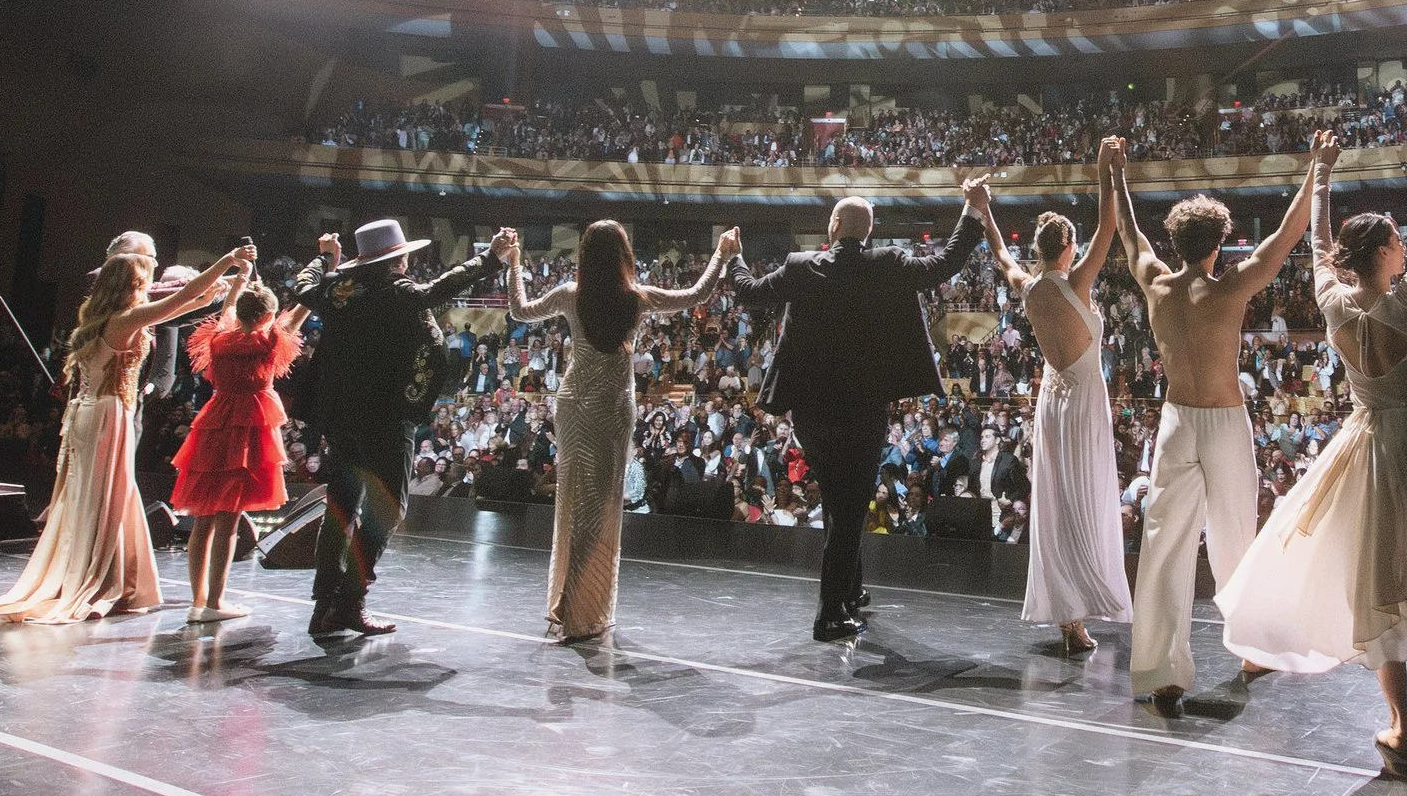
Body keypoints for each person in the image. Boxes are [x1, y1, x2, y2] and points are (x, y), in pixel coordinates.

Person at [1217, 100, 1407, 777]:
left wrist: (1322, 171)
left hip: (1366, 445)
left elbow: (1314, 246)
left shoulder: (1333, 302)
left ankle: (1402, 714)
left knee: (1385, 581)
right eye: (1397, 239)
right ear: (1387, 252)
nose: (1406, 243)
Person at [1108, 135, 1326, 717]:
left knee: (1163, 547)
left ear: (1176, 242)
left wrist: (1114, 174)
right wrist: (1315, 172)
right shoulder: (1230, 287)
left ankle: (1162, 673)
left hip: (1176, 422)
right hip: (1225, 421)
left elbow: (1130, 235)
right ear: (1221, 243)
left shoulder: (1155, 283)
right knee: (1236, 539)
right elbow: (1285, 237)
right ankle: (1252, 650)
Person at [731, 179, 989, 640]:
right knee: (850, 507)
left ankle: (849, 590)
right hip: (862, 408)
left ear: (833, 226)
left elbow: (748, 289)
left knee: (838, 498)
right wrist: (971, 209)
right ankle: (830, 613)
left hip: (811, 412)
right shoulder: (886, 264)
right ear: (868, 232)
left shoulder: (801, 266)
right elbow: (945, 263)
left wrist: (730, 254)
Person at [0, 240, 253, 625]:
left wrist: (230, 286)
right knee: (104, 497)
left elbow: (189, 305)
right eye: (143, 279)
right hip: (106, 415)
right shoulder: (125, 320)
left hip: (93, 413)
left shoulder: (104, 316)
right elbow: (179, 299)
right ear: (130, 284)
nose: (148, 283)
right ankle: (97, 577)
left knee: (102, 496)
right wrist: (226, 262)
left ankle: (105, 572)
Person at [501, 221, 736, 641]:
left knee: (572, 498)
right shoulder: (638, 297)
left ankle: (565, 603)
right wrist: (721, 252)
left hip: (572, 403)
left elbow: (519, 310)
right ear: (625, 256)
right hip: (611, 405)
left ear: (585, 257)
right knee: (600, 503)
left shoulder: (569, 295)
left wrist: (515, 262)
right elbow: (697, 295)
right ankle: (575, 606)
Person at [287, 219, 501, 639]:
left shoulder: (339, 292)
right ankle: (349, 603)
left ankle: (323, 605)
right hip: (385, 417)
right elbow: (438, 290)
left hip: (341, 417)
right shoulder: (396, 291)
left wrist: (325, 256)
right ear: (398, 258)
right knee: (387, 509)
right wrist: (490, 257)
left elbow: (302, 286)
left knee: (342, 507)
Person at [971, 139, 1133, 654]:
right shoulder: (1077, 282)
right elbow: (1110, 227)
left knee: (1059, 501)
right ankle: (1078, 610)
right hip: (1083, 398)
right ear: (1066, 248)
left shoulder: (1026, 285)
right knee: (1083, 496)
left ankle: (1069, 614)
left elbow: (999, 253)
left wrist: (984, 211)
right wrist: (1105, 170)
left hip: (1053, 399)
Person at [170, 264, 311, 624]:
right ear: (266, 315)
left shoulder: (219, 340)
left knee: (203, 519)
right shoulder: (268, 342)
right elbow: (297, 314)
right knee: (229, 520)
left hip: (214, 422)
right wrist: (324, 273)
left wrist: (238, 284)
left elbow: (227, 312)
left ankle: (197, 600)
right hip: (247, 427)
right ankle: (215, 603)